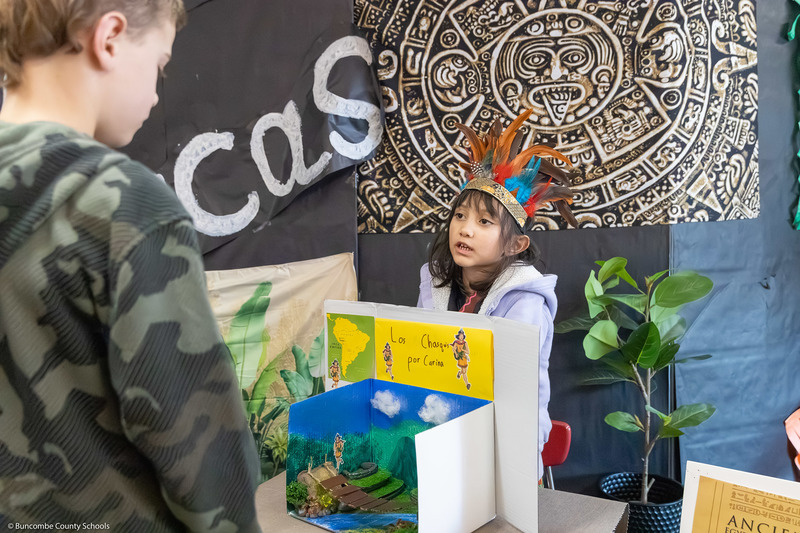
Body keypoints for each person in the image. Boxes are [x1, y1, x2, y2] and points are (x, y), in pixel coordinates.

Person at [0, 1, 261, 531]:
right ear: (110, 37)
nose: (157, 94)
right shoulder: (125, 204)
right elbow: (200, 455)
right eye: (160, 65)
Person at [417, 110, 578, 479]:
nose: (465, 229)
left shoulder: (526, 303)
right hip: (441, 440)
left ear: (514, 245)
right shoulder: (435, 285)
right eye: (460, 216)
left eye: (484, 222)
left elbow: (510, 392)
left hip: (505, 455)